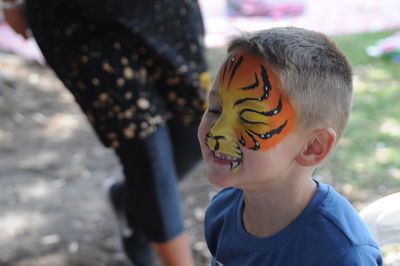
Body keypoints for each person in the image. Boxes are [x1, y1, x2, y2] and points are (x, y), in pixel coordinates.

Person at [3, 0, 210, 265]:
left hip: (165, 11)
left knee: (196, 133)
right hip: (76, 20)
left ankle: (133, 202)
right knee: (147, 155)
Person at [197, 27, 383, 265]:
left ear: (313, 147)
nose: (216, 131)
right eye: (215, 110)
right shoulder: (222, 211)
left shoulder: (341, 254)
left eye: (250, 118)